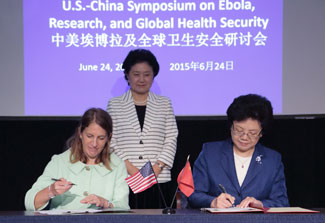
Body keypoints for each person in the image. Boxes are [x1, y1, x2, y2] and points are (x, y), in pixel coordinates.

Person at [188, 94, 289, 208]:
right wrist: (213, 202)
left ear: (261, 133)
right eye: (239, 130)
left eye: (252, 133)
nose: (245, 137)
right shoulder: (210, 153)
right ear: (231, 126)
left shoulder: (272, 160)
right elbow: (193, 194)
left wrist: (260, 204)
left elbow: (281, 202)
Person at [107, 49, 178, 208]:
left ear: (154, 75)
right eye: (136, 74)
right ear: (127, 75)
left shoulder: (164, 103)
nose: (141, 79)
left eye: (147, 74)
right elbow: (111, 141)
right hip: (126, 178)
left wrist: (156, 168)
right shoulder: (115, 104)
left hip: (159, 178)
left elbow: (171, 138)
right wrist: (133, 170)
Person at [25, 108, 129, 211]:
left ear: (108, 138)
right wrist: (51, 191)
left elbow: (124, 207)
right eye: (89, 136)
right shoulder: (60, 162)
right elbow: (30, 203)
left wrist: (106, 203)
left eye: (101, 138)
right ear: (80, 133)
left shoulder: (117, 165)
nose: (94, 144)